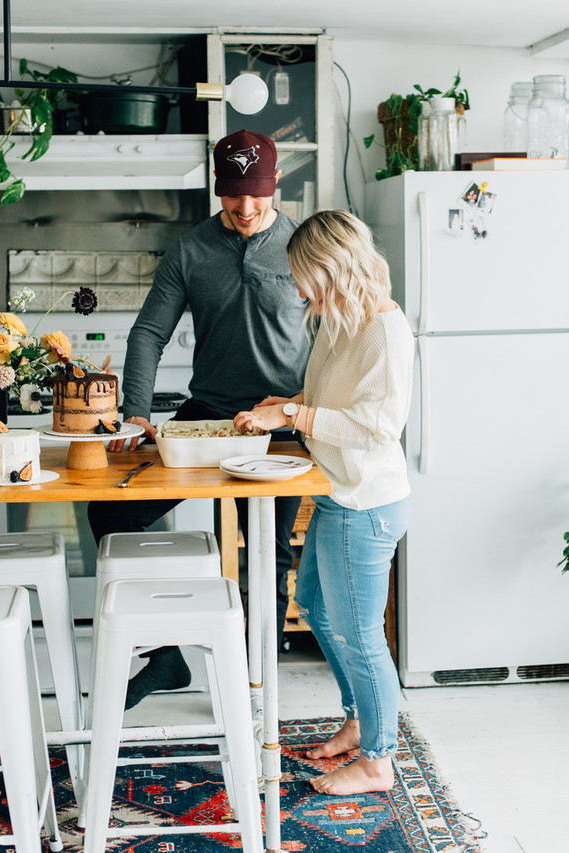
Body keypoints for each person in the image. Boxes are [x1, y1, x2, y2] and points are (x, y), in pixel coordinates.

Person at [88, 129, 310, 710]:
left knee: (270, 551)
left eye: (257, 195)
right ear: (218, 190)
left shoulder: (305, 245)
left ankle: (253, 680)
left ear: (275, 184)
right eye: (234, 196)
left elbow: (337, 329)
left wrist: (310, 410)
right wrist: (135, 413)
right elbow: (149, 333)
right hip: (210, 417)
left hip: (283, 425)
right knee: (111, 512)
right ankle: (166, 655)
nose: (245, 208)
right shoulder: (189, 250)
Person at [233, 210, 414, 796]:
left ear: (332, 267)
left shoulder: (385, 329)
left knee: (359, 632)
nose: (300, 287)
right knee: (314, 603)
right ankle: (361, 720)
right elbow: (326, 394)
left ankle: (379, 761)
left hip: (365, 499)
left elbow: (378, 427)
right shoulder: (341, 318)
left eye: (304, 275)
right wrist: (285, 402)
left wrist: (293, 415)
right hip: (337, 491)